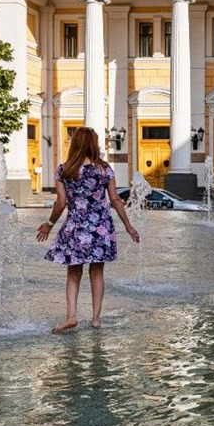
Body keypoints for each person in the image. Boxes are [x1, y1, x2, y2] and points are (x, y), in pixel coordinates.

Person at [37, 127, 139, 333]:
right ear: (94, 144)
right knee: (97, 272)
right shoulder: (104, 169)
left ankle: (71, 316)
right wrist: (129, 226)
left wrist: (49, 223)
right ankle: (95, 319)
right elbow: (116, 200)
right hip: (100, 228)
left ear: (75, 144)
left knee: (74, 273)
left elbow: (61, 202)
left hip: (75, 227)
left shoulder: (64, 170)